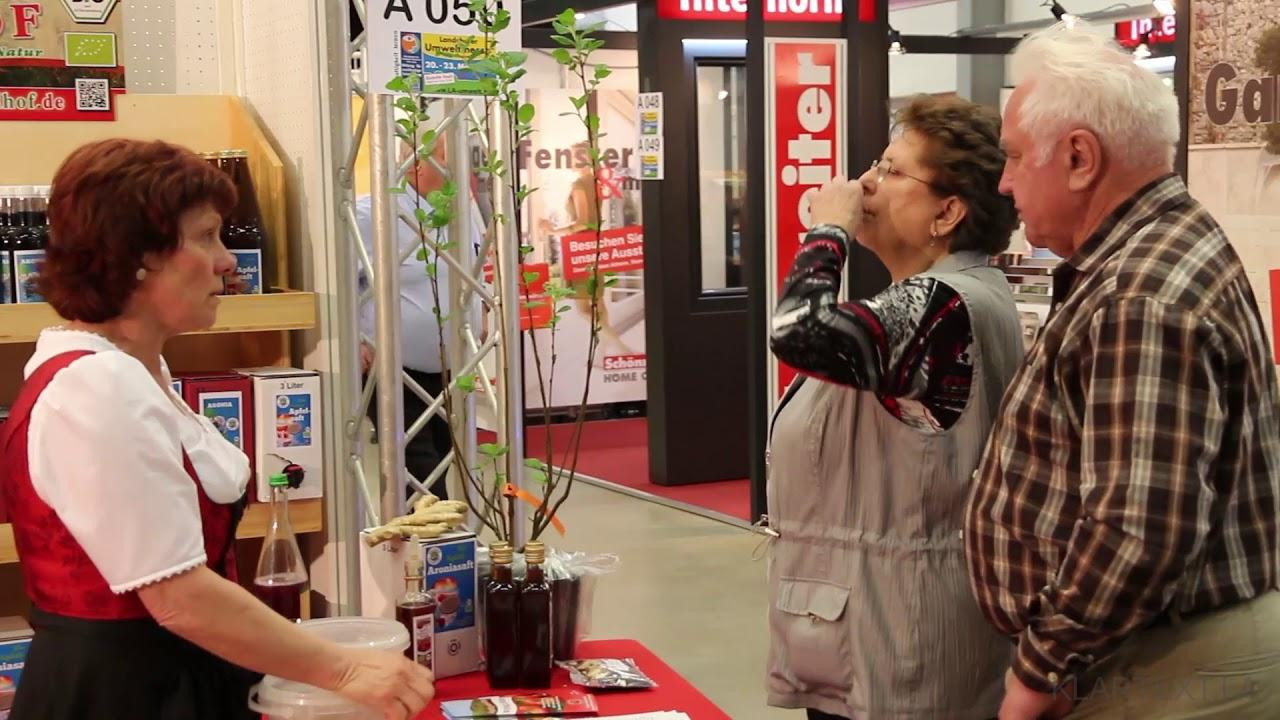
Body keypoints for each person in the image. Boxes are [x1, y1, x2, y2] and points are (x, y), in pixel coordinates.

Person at [0, 138, 434, 719]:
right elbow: (178, 598)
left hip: (180, 678)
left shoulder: (138, 371)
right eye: (206, 237)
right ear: (139, 254)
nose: (228, 261)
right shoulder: (94, 388)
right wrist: (345, 669)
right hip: (125, 697)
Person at [966, 25, 1280, 720]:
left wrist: (1039, 666)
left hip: (1170, 669)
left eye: (1016, 158)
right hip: (1159, 655)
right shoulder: (1156, 247)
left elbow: (1138, 527)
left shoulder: (1139, 291)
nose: (1004, 181)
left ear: (1079, 157)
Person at [765, 95, 1023, 719]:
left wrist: (827, 230)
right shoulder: (929, 300)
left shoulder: (945, 306)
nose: (864, 185)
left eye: (891, 170)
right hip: (869, 635)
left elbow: (799, 330)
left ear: (947, 212)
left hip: (905, 651)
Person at [357, 129, 483, 498]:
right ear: (415, 167)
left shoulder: (462, 214)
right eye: (449, 154)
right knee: (420, 472)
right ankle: (429, 550)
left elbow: (472, 275)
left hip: (451, 370)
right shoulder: (374, 214)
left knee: (449, 461)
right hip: (395, 371)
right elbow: (342, 281)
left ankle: (442, 545)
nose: (462, 165)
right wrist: (353, 339)